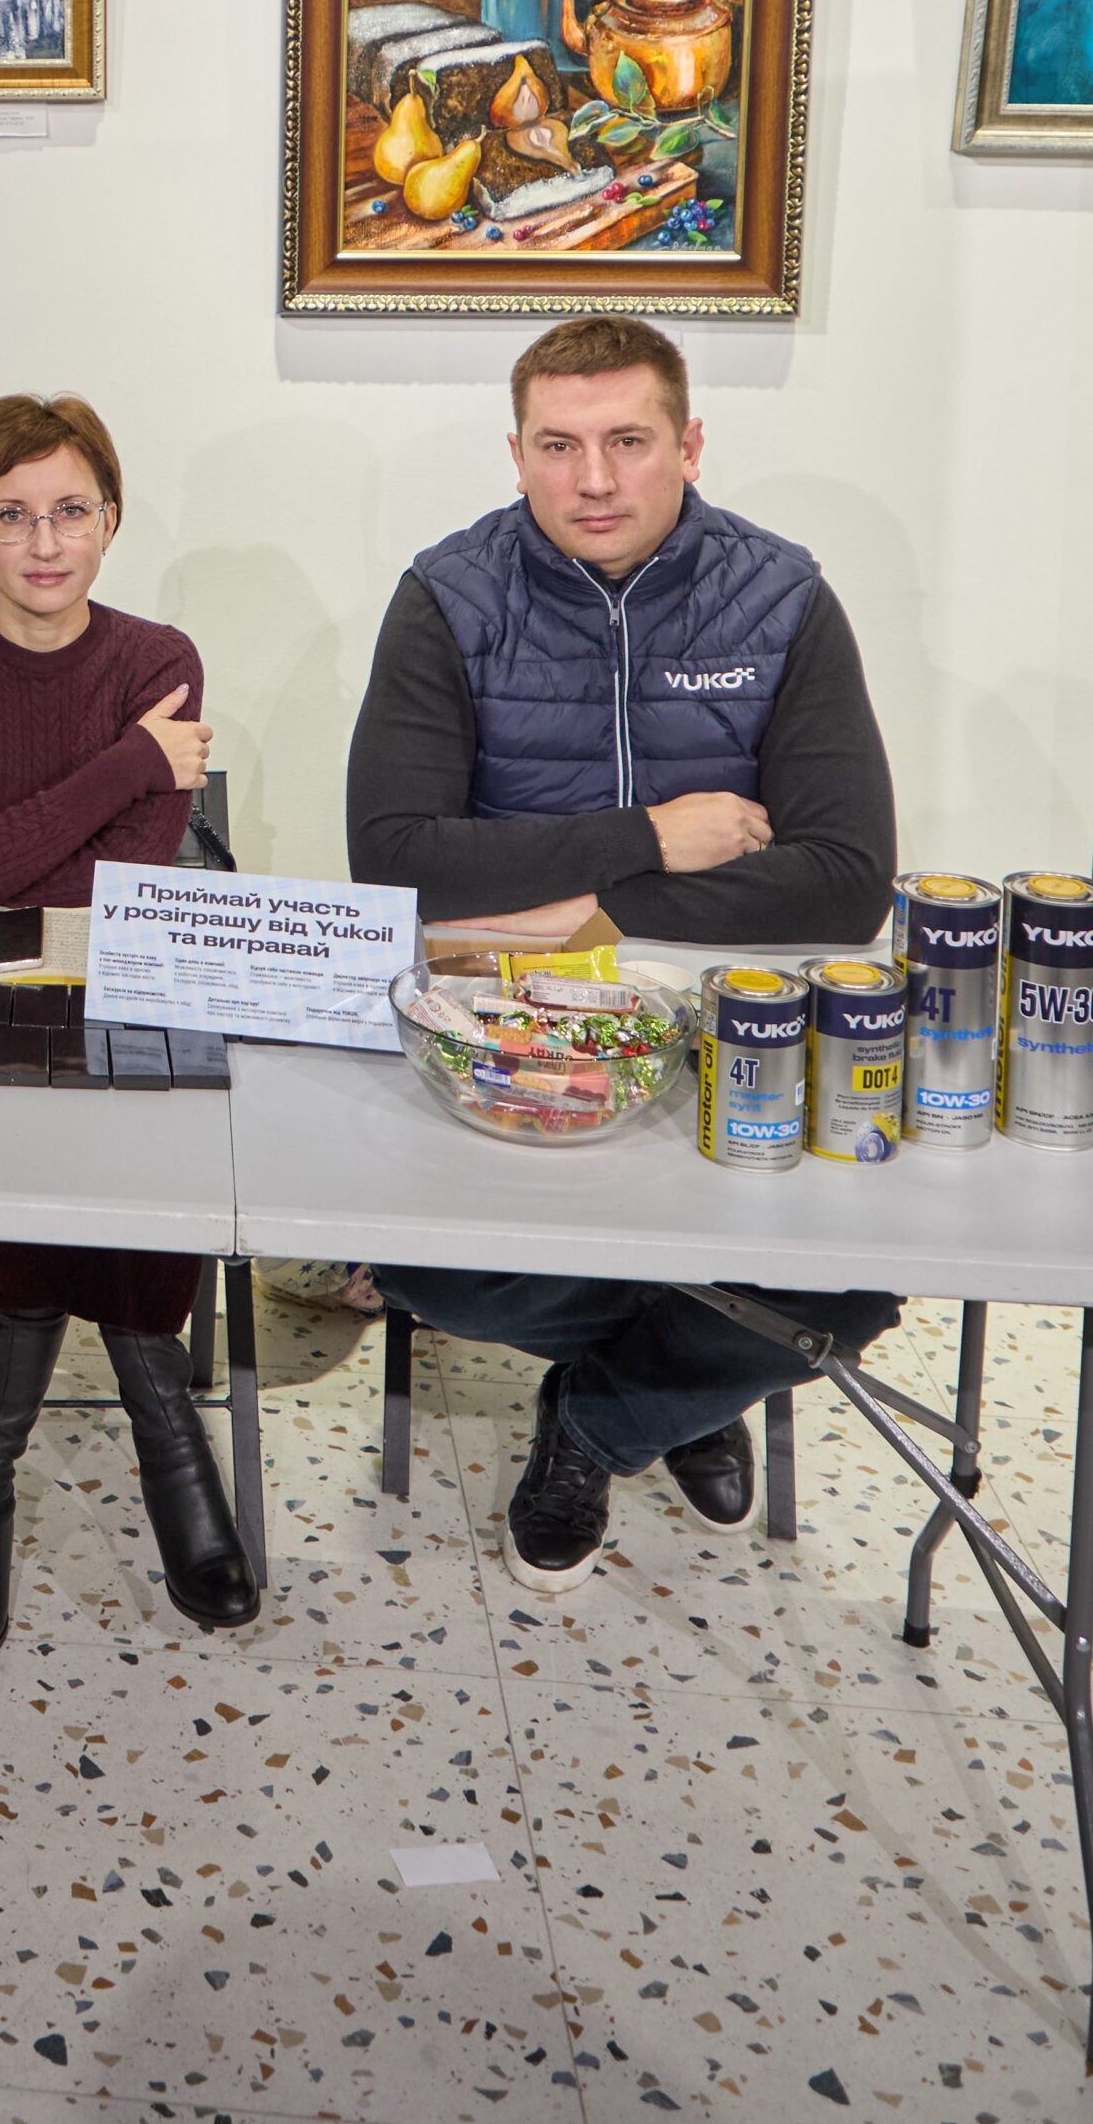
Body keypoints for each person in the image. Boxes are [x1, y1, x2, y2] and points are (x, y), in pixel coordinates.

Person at [346, 314, 900, 1594]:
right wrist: (654, 835)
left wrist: (568, 904)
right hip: (509, 1039)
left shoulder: (783, 596)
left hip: (731, 1040)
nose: (592, 479)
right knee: (426, 1267)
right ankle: (687, 1378)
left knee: (858, 1288)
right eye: (558, 445)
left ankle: (601, 1418)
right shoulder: (447, 595)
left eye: (627, 441)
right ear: (517, 454)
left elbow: (843, 882)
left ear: (689, 445)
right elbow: (395, 860)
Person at [0, 391, 258, 1667]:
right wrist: (132, 764)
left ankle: (3, 1469)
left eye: (70, 510)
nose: (43, 542)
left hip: (119, 982)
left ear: (112, 519)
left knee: (125, 1151)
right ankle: (110, 1457)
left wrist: (18, 849)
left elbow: (118, 888)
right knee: (26, 1163)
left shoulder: (157, 657)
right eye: (11, 514)